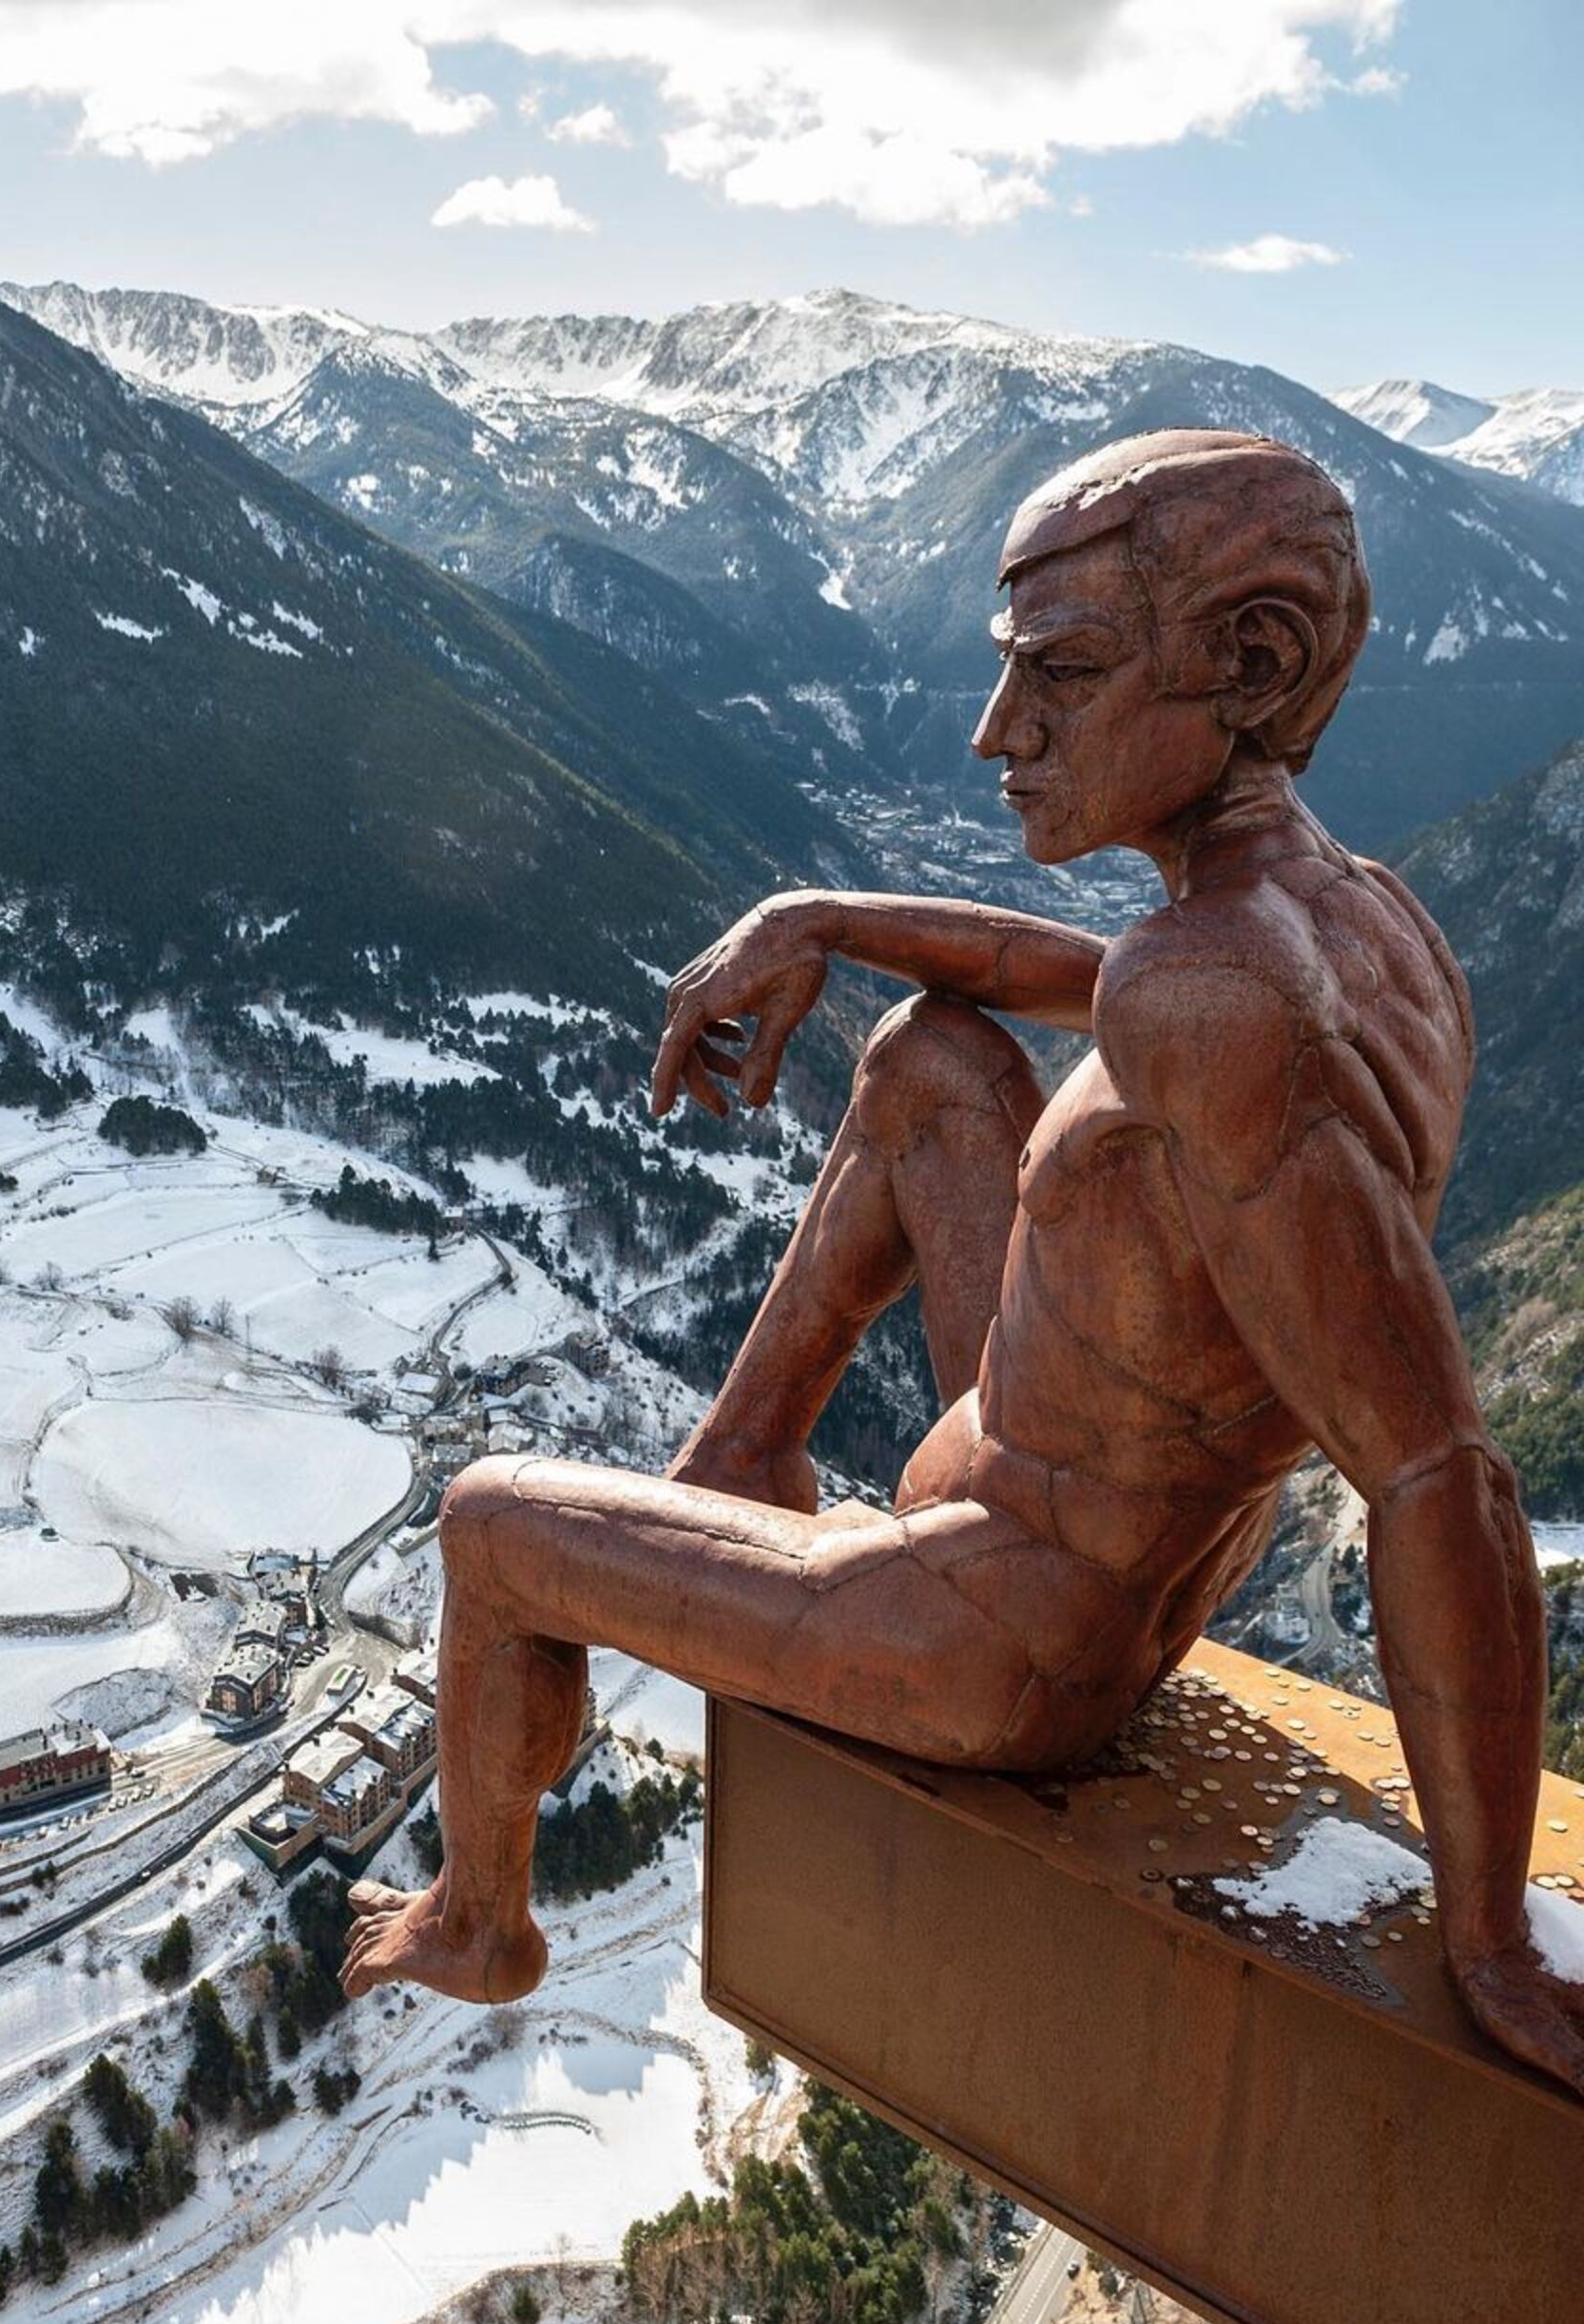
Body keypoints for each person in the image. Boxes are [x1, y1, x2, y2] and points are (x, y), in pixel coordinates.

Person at [341, 430, 1573, 2100]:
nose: (1004, 733)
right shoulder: (1358, 922)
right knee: (931, 1058)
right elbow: (1078, 976)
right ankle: (742, 1465)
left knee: (488, 1524)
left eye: (1063, 674)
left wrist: (1488, 1939)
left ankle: (481, 1917)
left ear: (1252, 663)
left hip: (1020, 1634)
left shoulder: (1215, 1003)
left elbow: (1440, 1475)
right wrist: (824, 917)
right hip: (1114, 1508)